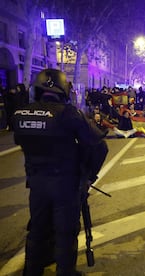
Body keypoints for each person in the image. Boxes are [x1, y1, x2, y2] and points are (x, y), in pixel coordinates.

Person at [12, 68, 108, 276]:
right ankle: (65, 272)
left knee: (38, 229)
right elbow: (99, 146)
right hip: (65, 184)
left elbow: (22, 143)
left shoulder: (19, 114)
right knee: (65, 231)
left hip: (36, 183)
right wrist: (88, 176)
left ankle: (32, 271)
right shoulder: (69, 114)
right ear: (63, 89)